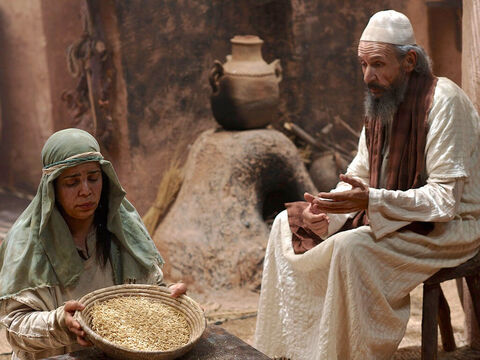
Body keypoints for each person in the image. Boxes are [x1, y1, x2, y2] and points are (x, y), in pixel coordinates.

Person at [254, 9, 480, 360]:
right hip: (398, 216)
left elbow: (445, 200)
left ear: (409, 60)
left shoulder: (444, 101)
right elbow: (359, 174)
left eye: (377, 64)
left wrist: (369, 201)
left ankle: (343, 352)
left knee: (351, 250)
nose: (367, 76)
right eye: (362, 64)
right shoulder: (381, 101)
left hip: (451, 228)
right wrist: (327, 212)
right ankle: (296, 351)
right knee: (289, 225)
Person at [0, 128, 187, 360]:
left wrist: (166, 299)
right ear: (52, 188)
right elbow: (15, 328)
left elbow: (150, 290)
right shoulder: (25, 243)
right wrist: (60, 323)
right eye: (72, 182)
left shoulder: (122, 227)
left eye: (93, 178)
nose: (86, 191)